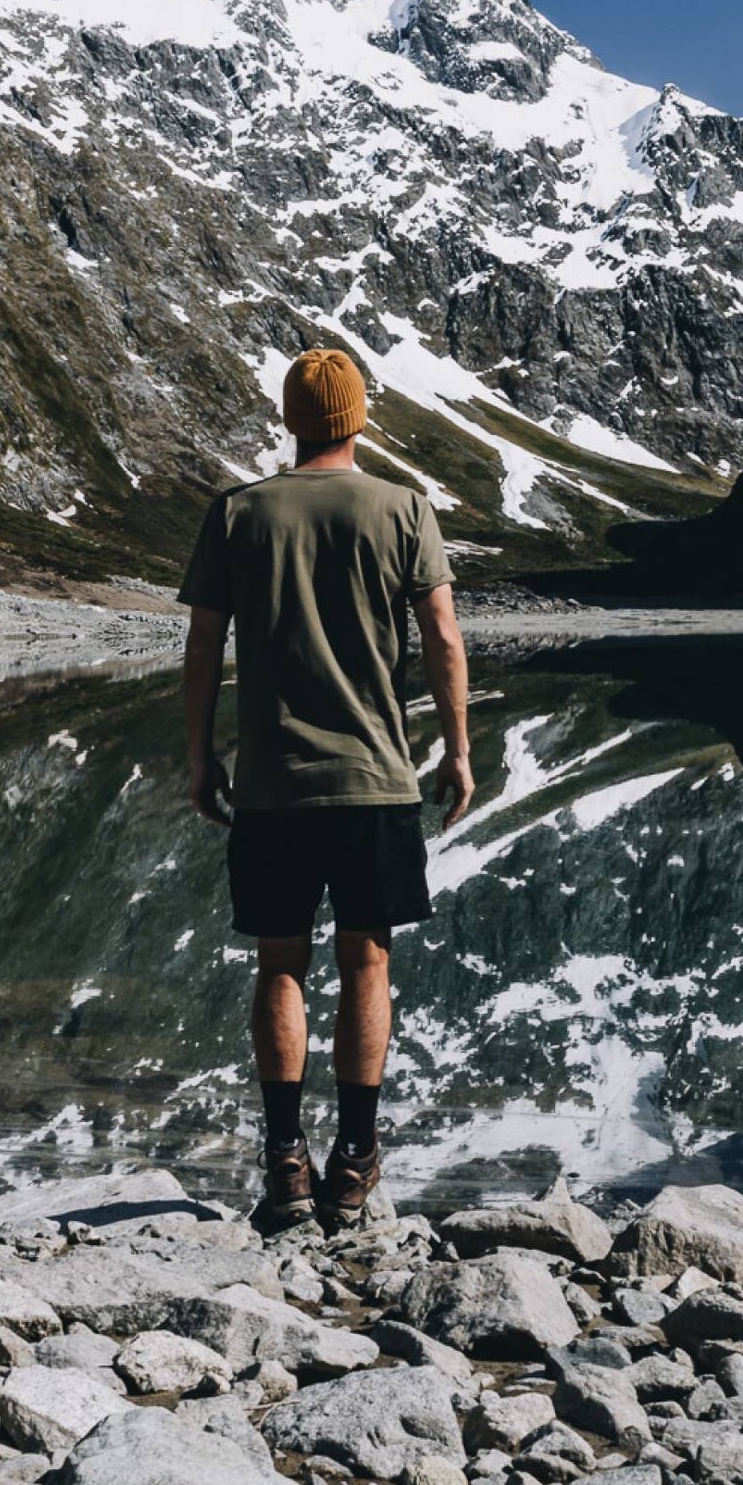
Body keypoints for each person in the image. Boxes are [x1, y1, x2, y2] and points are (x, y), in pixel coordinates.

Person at [179, 346, 474, 1229]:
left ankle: (283, 1160)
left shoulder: (237, 512)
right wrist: (458, 749)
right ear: (360, 416)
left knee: (280, 963)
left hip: (272, 786)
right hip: (376, 780)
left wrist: (199, 755)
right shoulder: (402, 508)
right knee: (366, 961)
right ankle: (353, 1161)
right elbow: (444, 639)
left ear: (289, 419)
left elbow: (201, 645)